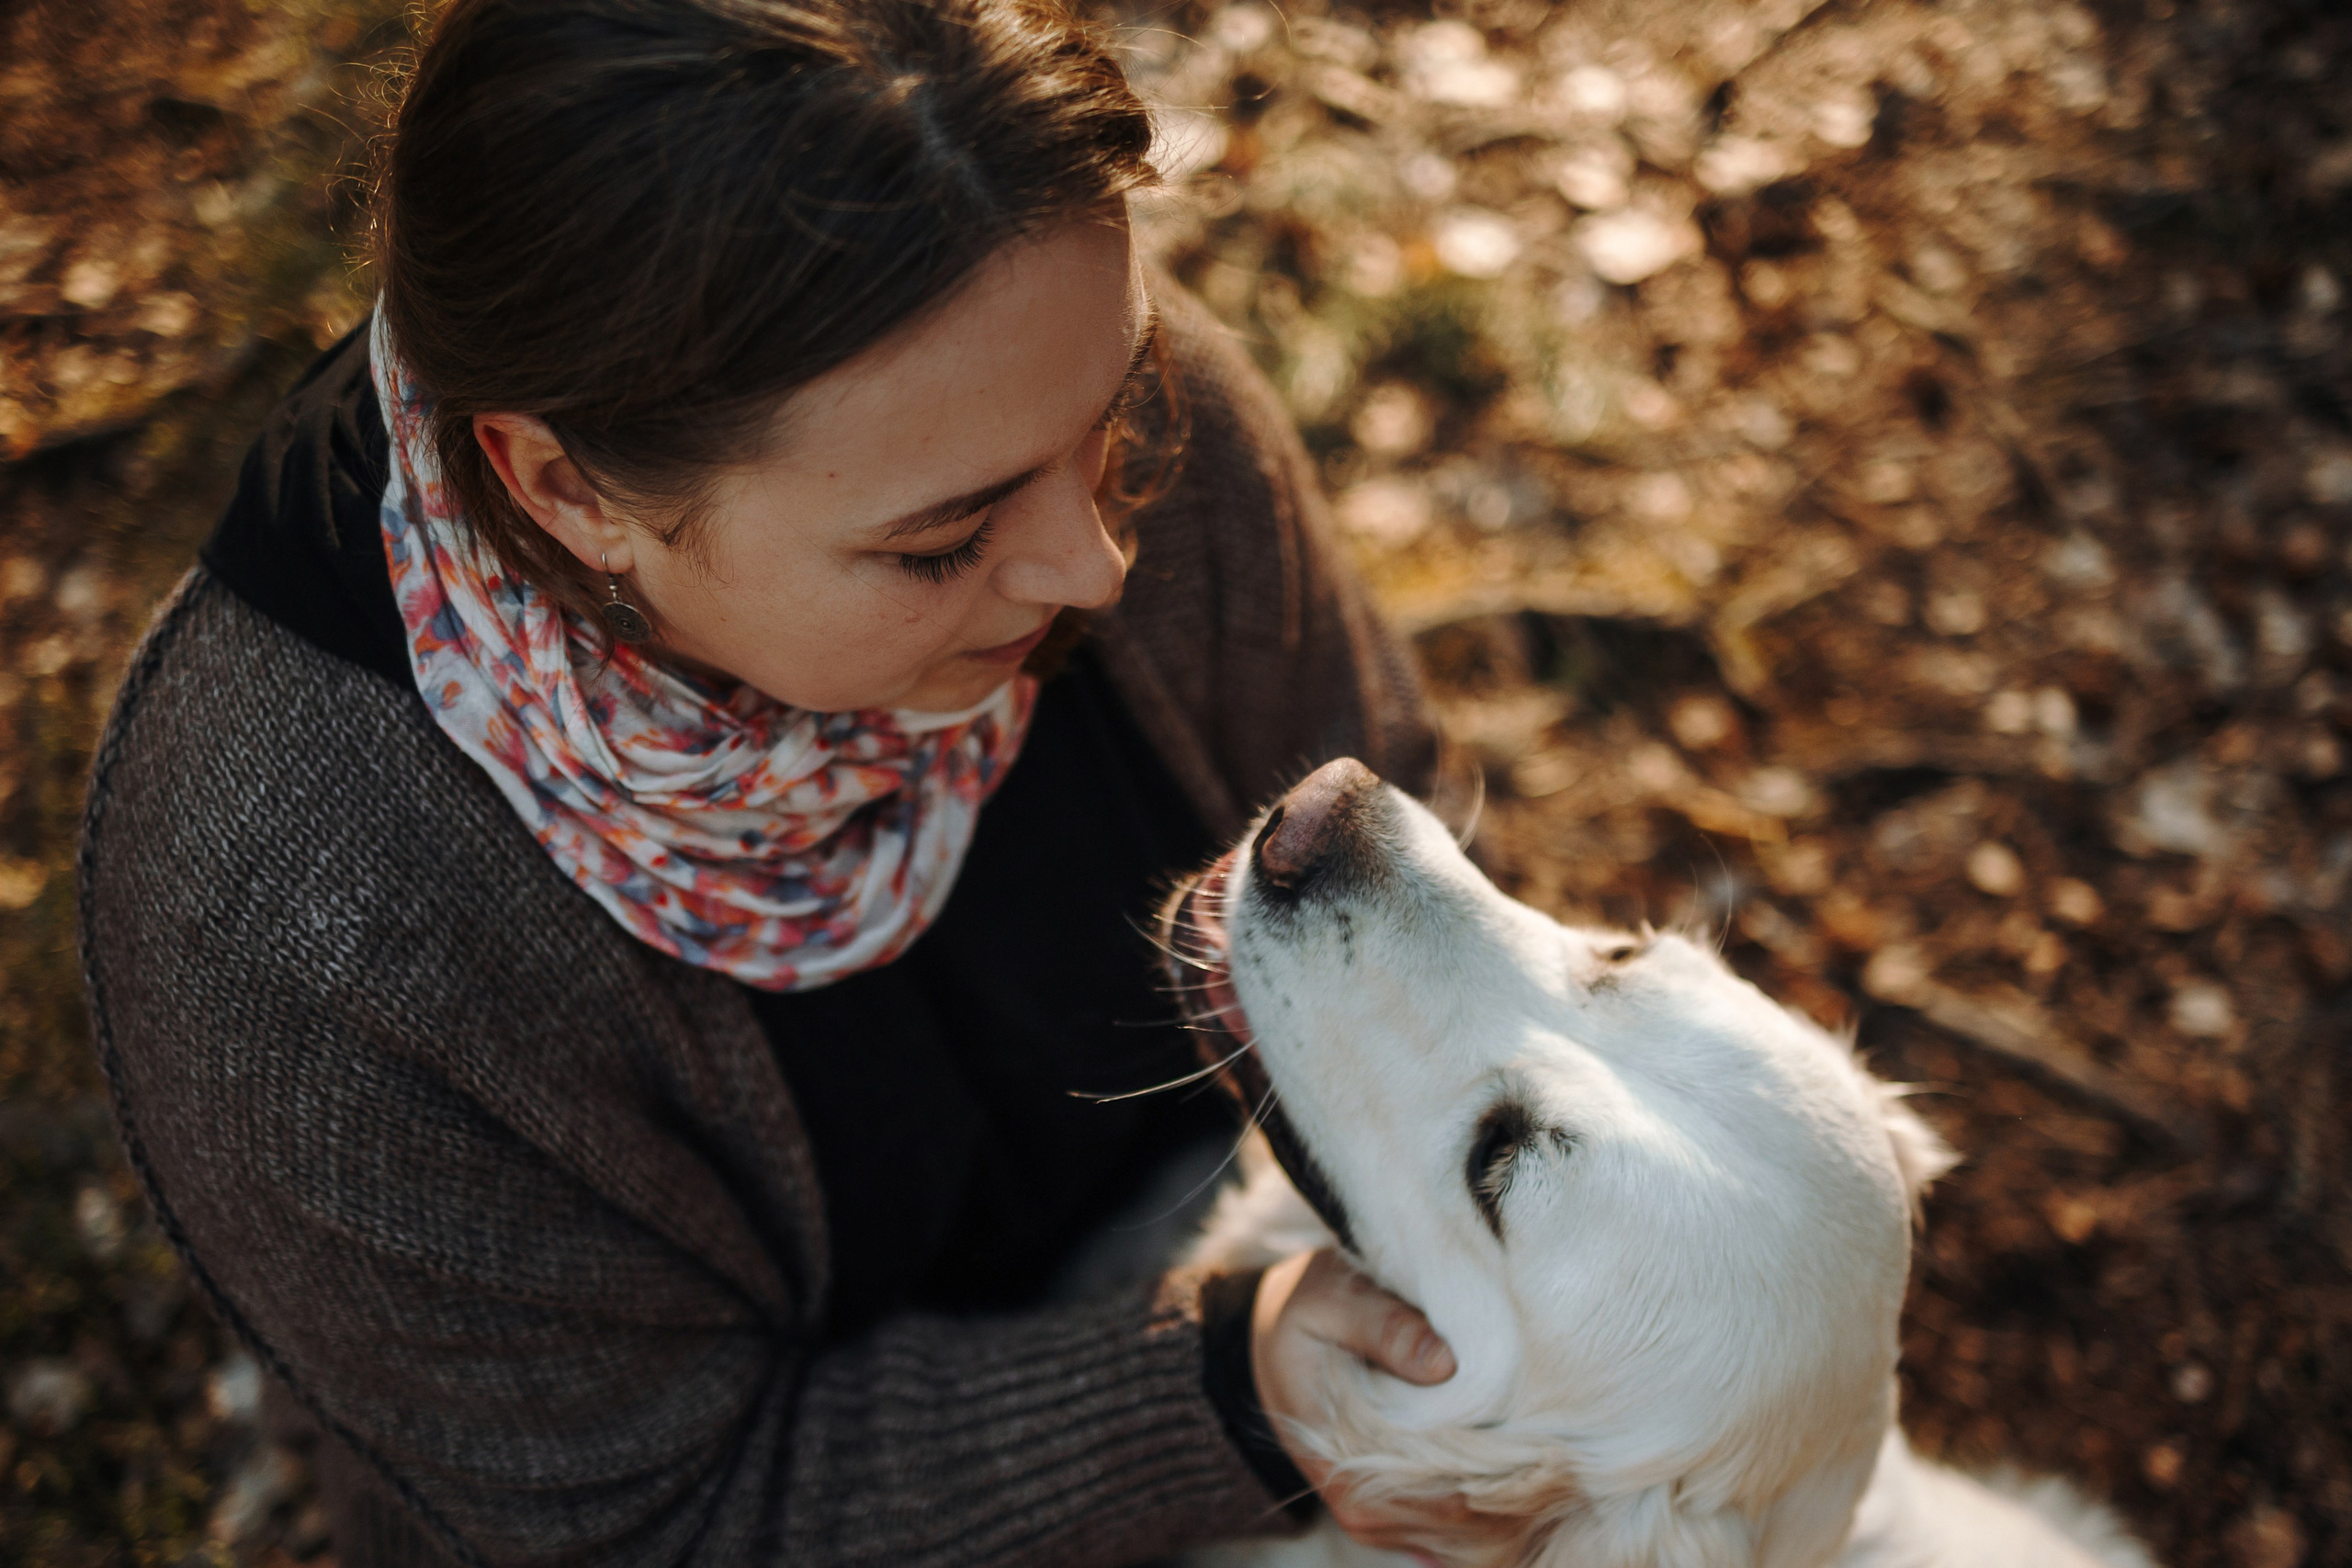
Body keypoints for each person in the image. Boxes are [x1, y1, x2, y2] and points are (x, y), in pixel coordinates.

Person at [78, 1, 1509, 1562]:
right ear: (565, 490)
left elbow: (1420, 892)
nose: (1097, 562)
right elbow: (646, 1521)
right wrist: (1230, 1391)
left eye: (1107, 418)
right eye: (941, 544)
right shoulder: (291, 922)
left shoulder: (1036, 384)